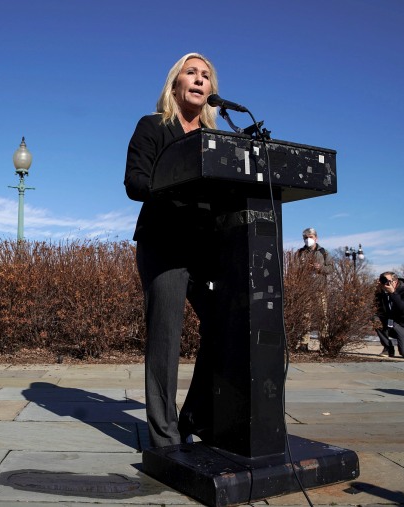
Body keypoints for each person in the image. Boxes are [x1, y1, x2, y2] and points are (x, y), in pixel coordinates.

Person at [124, 53, 219, 448]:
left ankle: (193, 418)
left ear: (212, 90)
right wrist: (178, 189)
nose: (199, 80)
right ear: (175, 83)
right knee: (166, 336)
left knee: (227, 325)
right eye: (191, 73)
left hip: (208, 247)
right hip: (163, 241)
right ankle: (165, 437)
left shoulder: (217, 140)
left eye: (206, 76)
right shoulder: (153, 126)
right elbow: (135, 182)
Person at [295, 227, 333, 350]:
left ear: (316, 238)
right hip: (305, 290)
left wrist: (320, 268)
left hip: (320, 288)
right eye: (305, 237)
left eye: (310, 237)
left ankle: (324, 343)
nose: (308, 240)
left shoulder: (324, 252)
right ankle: (304, 343)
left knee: (323, 316)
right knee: (305, 317)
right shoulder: (300, 252)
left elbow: (331, 269)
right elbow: (294, 269)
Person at [376, 271, 404, 359]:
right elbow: (378, 310)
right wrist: (379, 293)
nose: (385, 284)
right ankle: (388, 348)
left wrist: (393, 293)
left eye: (387, 281)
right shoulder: (383, 293)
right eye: (383, 281)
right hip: (390, 323)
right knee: (375, 318)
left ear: (395, 281)